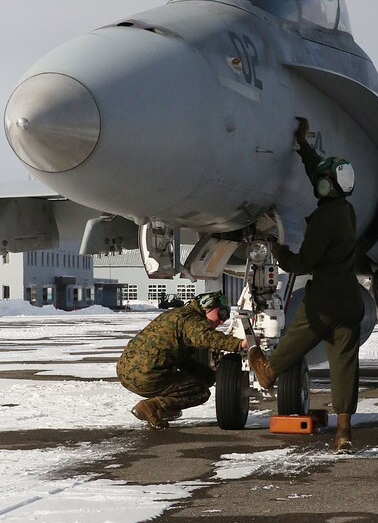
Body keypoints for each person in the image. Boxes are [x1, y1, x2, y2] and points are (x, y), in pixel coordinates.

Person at [248, 117, 363, 453]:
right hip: (350, 302)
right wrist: (303, 145)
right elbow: (321, 175)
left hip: (323, 303)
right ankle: (344, 432)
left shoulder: (324, 220)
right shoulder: (347, 210)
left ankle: (268, 371)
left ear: (328, 187)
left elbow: (305, 263)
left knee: (296, 340)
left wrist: (279, 251)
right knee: (345, 366)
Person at [117, 291, 248, 430]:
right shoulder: (192, 320)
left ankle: (158, 411)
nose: (221, 321)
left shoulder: (178, 314)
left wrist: (207, 375)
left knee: (205, 377)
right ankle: (152, 407)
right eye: (221, 314)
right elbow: (206, 337)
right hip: (146, 375)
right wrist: (239, 344)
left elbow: (180, 357)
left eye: (225, 318)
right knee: (200, 391)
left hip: (127, 370)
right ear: (207, 306)